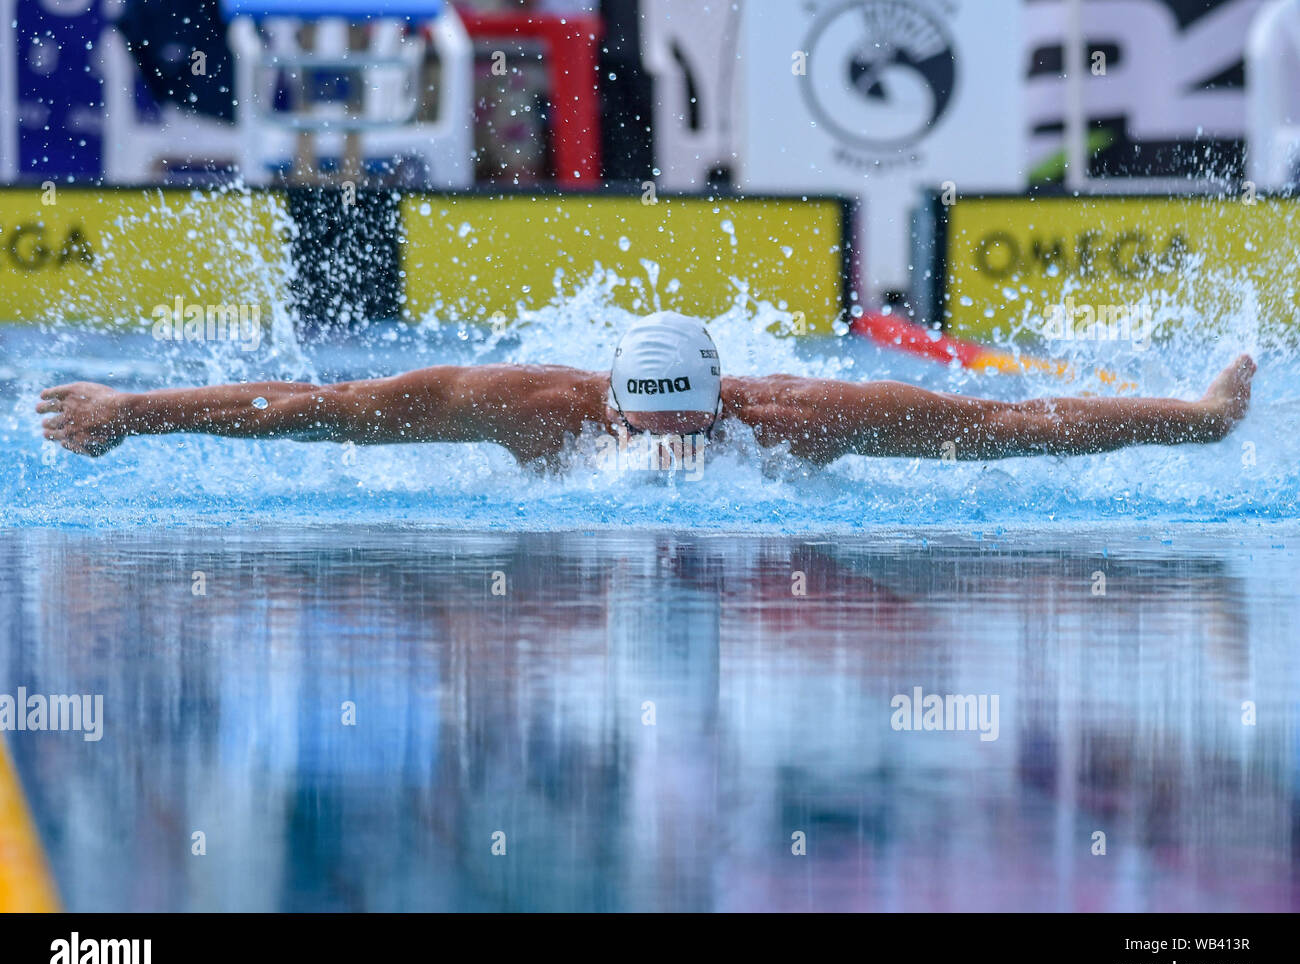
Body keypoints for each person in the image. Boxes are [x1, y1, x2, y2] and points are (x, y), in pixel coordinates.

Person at [36, 312, 1255, 467]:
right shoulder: (520, 402)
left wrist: (1197, 421)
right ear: (603, 402)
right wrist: (131, 413)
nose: (666, 449)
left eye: (689, 426)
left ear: (722, 405)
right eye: (641, 422)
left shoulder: (792, 420)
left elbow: (1014, 424)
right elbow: (325, 406)